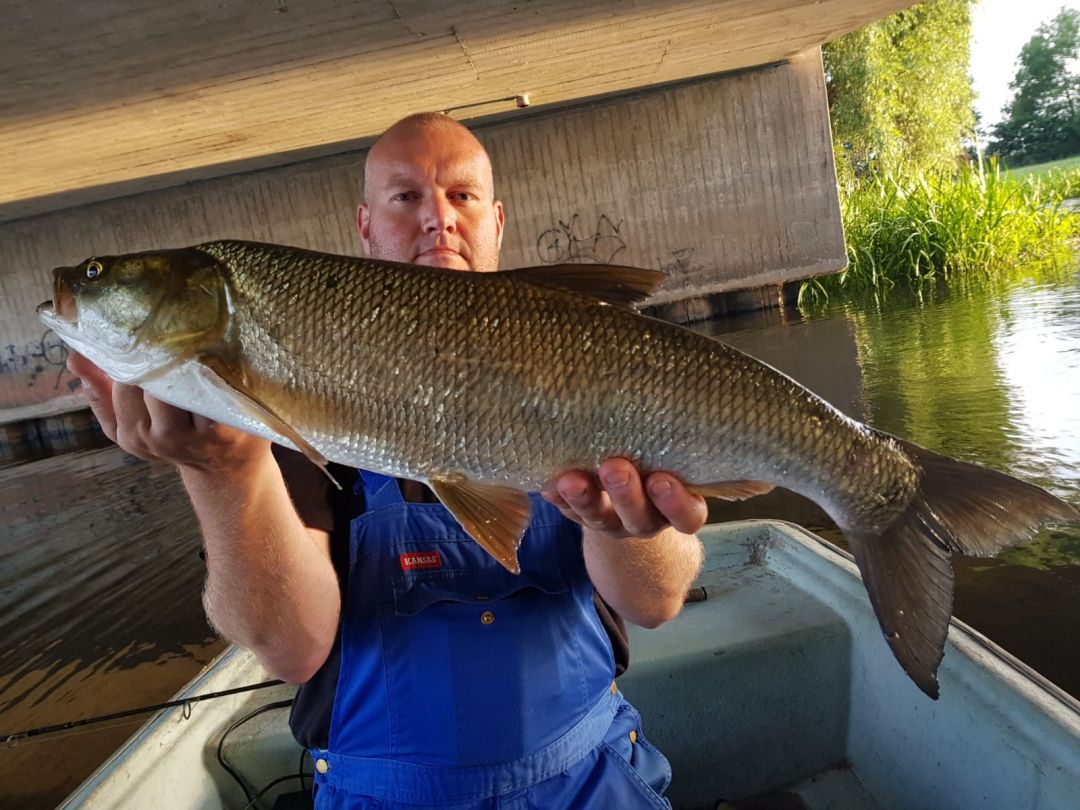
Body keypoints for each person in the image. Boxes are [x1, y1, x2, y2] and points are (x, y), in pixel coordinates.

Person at [68, 112, 707, 808]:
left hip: (591, 780)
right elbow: (293, 652)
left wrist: (623, 527)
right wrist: (226, 472)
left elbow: (656, 601)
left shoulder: (593, 363)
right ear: (365, 225)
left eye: (460, 195)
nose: (438, 218)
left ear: (496, 222)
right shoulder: (286, 403)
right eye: (405, 197)